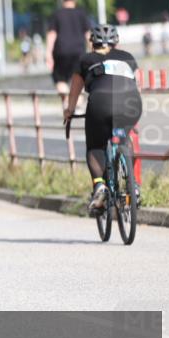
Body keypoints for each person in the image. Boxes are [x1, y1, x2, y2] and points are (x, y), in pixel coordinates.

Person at [63, 25, 143, 215]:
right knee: (124, 137)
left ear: (92, 44)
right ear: (116, 43)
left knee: (96, 145)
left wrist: (69, 110)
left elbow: (75, 89)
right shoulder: (128, 57)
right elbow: (138, 85)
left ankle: (100, 186)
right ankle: (134, 187)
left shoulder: (85, 59)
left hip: (101, 103)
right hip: (130, 103)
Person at [47, 0, 91, 94]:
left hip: (61, 52)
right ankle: (77, 104)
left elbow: (52, 35)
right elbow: (88, 34)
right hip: (79, 52)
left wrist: (48, 53)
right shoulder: (81, 14)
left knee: (60, 80)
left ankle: (67, 101)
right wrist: (93, 50)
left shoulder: (57, 14)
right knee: (79, 80)